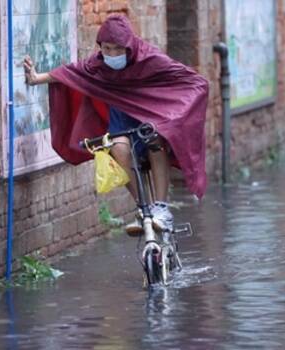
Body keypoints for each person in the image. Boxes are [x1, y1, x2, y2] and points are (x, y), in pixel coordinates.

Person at [23, 14, 208, 235]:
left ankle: (161, 208)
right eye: (106, 48)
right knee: (115, 147)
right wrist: (36, 78)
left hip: (151, 125)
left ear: (129, 47)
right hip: (122, 127)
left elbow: (196, 83)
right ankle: (144, 209)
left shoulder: (150, 59)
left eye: (117, 49)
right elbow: (70, 73)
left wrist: (174, 120)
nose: (111, 54)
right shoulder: (98, 64)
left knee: (154, 139)